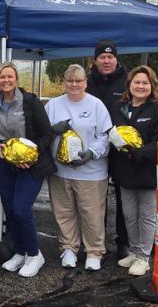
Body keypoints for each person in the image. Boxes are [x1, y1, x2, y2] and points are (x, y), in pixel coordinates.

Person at [0, 62, 56, 277]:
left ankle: (35, 255)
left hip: (30, 166)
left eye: (10, 76)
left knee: (20, 209)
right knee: (9, 209)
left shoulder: (30, 102)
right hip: (4, 165)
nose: (6, 80)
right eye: (2, 77)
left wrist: (31, 155)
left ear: (16, 79)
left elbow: (46, 134)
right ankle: (20, 251)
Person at [45, 64, 112, 271]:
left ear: (85, 82)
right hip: (60, 171)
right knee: (63, 211)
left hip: (91, 172)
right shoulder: (53, 105)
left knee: (91, 213)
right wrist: (51, 130)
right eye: (70, 80)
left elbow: (105, 135)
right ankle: (68, 248)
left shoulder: (96, 105)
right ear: (64, 82)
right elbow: (41, 133)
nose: (74, 84)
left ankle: (94, 251)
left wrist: (91, 153)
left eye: (79, 81)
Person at [109, 66, 158, 276]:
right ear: (129, 85)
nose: (140, 86)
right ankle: (134, 251)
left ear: (151, 86)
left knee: (146, 215)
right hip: (124, 171)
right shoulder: (119, 107)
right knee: (129, 215)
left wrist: (138, 153)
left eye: (144, 83)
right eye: (136, 82)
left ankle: (144, 257)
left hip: (146, 171)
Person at [85, 40, 130, 261]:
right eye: (102, 57)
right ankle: (96, 243)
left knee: (123, 198)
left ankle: (124, 243)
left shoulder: (126, 80)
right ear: (96, 60)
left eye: (110, 57)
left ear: (116, 59)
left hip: (119, 149)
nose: (106, 60)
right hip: (94, 149)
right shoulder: (88, 81)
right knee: (95, 199)